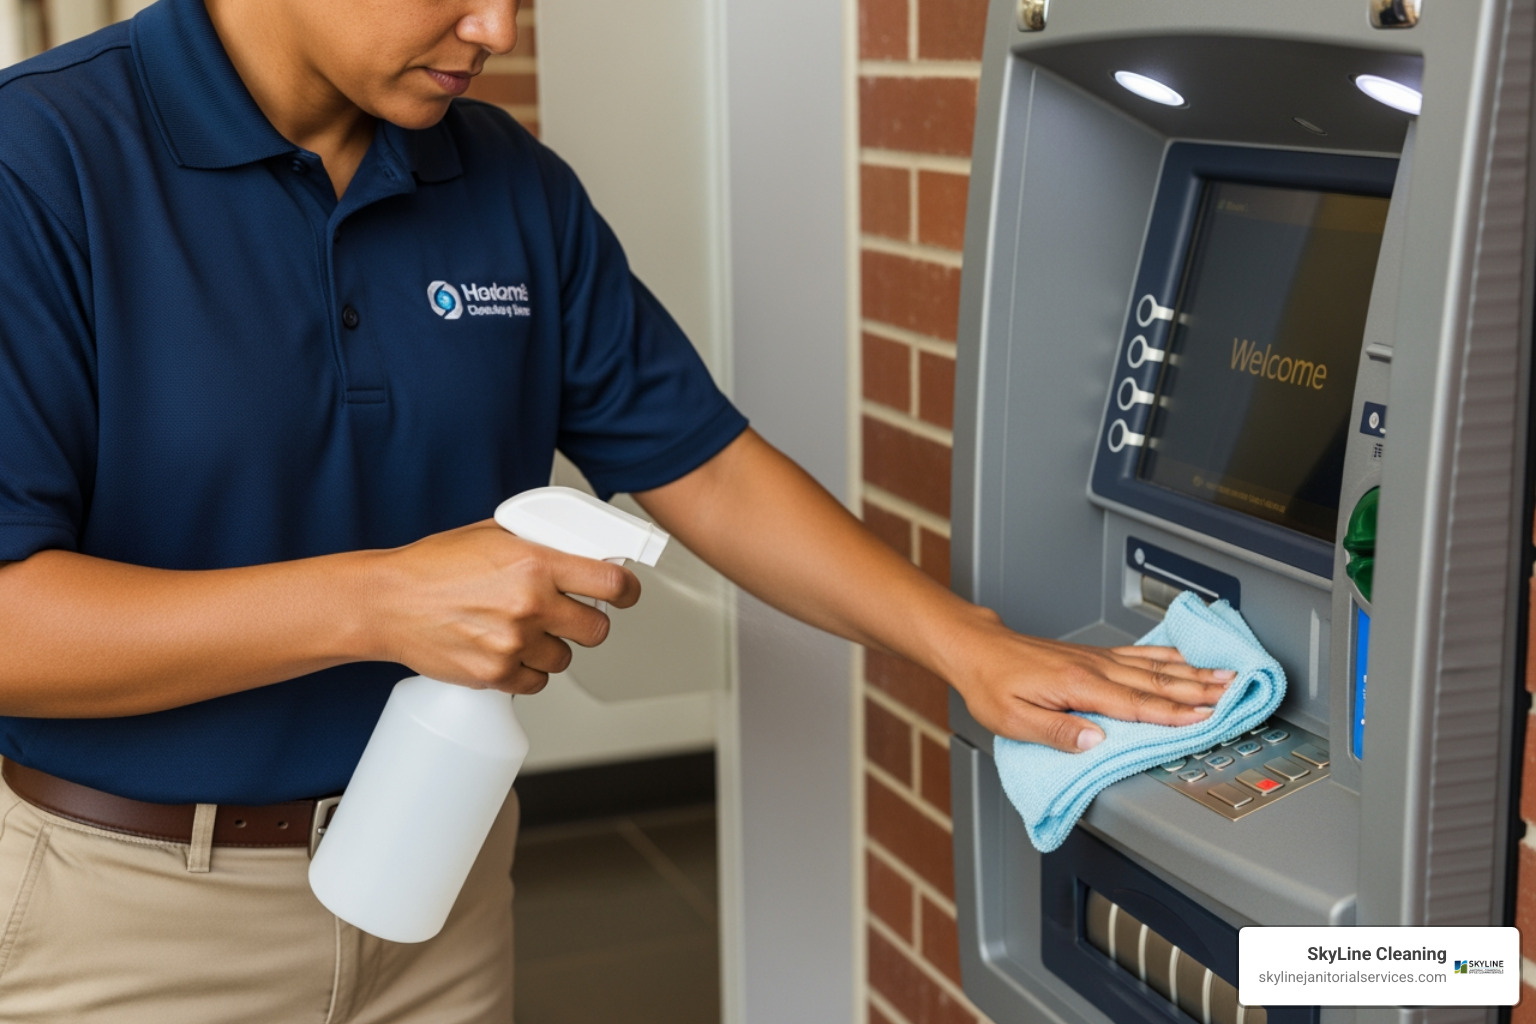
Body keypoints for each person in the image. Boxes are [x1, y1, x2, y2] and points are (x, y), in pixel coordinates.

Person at [0, 0, 1235, 1020]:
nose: (500, 26)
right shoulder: (39, 165)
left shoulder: (508, 184)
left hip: (440, 882)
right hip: (129, 912)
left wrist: (967, 643)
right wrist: (381, 601)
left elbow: (702, 462)